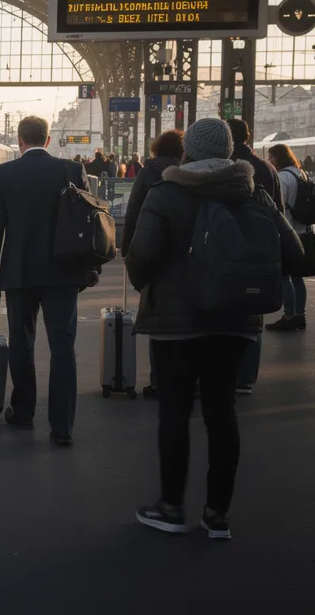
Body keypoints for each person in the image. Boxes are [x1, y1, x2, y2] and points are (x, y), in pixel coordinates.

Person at [127, 118, 302, 539]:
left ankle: (170, 507)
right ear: (228, 151)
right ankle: (217, 514)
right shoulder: (253, 191)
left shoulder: (165, 192)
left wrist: (148, 282)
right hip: (235, 319)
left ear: (188, 149)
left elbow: (140, 257)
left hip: (176, 321)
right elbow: (295, 255)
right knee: (222, 414)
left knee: (174, 413)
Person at [0, 116, 95, 446]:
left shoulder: (4, 174)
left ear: (19, 140)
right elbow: (86, 220)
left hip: (19, 273)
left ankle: (24, 411)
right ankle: (62, 427)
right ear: (47, 140)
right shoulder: (71, 171)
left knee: (22, 342)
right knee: (63, 348)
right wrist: (88, 266)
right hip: (63, 272)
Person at [121, 129, 184, 398]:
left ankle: (159, 380)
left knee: (156, 312)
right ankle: (186, 379)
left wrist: (127, 251)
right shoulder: (192, 171)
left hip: (154, 250)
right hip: (188, 252)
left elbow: (134, 210)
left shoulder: (149, 172)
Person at [229, 118, 279, 394]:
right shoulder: (267, 169)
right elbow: (278, 211)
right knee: (253, 317)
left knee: (222, 310)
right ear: (247, 137)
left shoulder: (224, 167)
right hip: (260, 252)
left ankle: (222, 374)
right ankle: (246, 378)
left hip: (226, 251)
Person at [267, 143, 308, 332]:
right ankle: (300, 314)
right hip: (304, 230)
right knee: (298, 277)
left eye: (272, 158)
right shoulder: (300, 173)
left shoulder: (282, 177)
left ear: (278, 158)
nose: (270, 161)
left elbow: (279, 206)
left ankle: (289, 315)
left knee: (284, 276)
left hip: (288, 231)